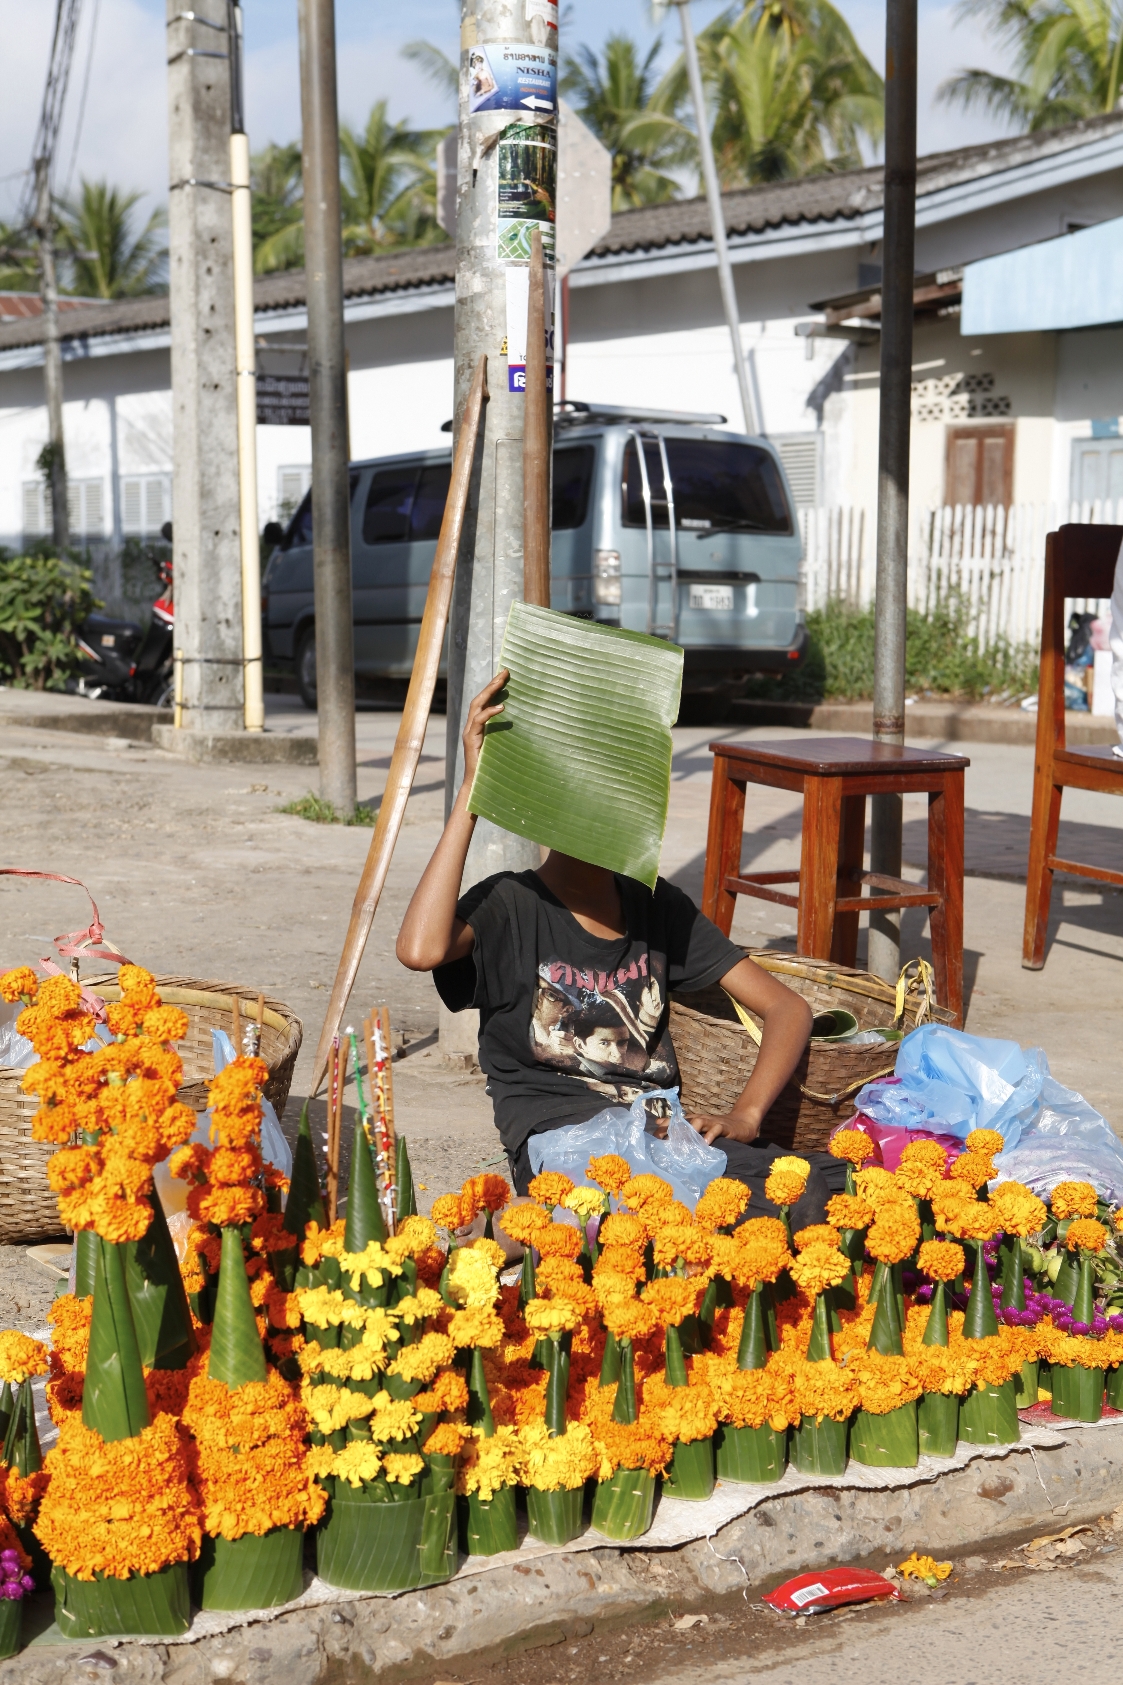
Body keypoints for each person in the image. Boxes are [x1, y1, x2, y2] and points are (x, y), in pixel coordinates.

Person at [397, 671, 831, 1225]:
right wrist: (472, 793)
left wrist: (746, 1114)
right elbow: (419, 950)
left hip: (662, 1132)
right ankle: (525, 1227)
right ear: (549, 806)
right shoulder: (510, 903)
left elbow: (788, 1008)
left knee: (813, 1190)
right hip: (565, 1140)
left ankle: (545, 1228)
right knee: (626, 1217)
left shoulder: (657, 905)